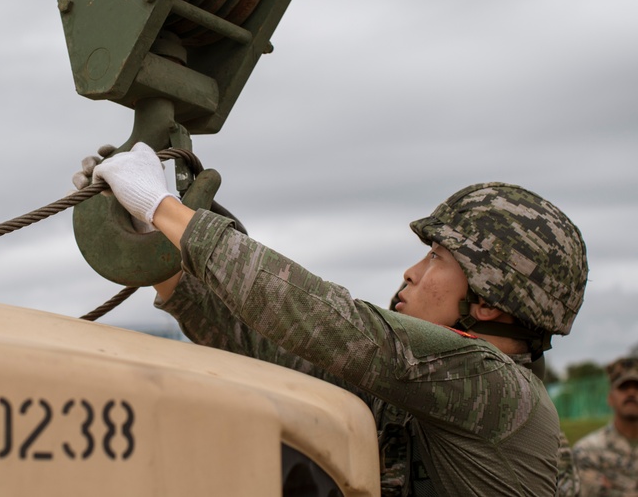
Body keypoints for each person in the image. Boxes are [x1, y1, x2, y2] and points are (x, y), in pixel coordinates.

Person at [79, 142, 589, 496]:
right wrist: (155, 250)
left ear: (489, 301)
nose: (411, 273)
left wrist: (159, 204)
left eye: (436, 257)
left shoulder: (494, 387)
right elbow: (257, 342)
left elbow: (330, 322)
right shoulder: (420, 393)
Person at [572, 356, 638, 496]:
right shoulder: (587, 451)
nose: (632, 393)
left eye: (637, 387)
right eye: (624, 387)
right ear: (610, 398)